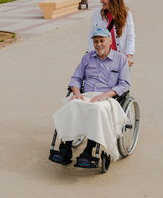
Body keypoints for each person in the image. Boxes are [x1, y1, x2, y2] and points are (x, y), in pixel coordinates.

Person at [53, 27, 130, 166]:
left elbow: (124, 84)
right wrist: (76, 92)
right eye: (96, 41)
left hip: (107, 98)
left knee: (97, 109)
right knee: (72, 104)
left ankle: (88, 151)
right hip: (86, 95)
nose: (99, 44)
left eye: (102, 40)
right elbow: (76, 77)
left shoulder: (120, 59)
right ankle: (66, 147)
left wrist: (105, 95)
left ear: (110, 41)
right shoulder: (87, 57)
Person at [88, 0, 135, 67]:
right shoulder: (97, 14)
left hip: (120, 60)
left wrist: (129, 55)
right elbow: (91, 37)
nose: (101, 1)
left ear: (112, 0)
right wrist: (91, 57)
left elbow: (130, 36)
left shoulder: (126, 14)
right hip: (102, 61)